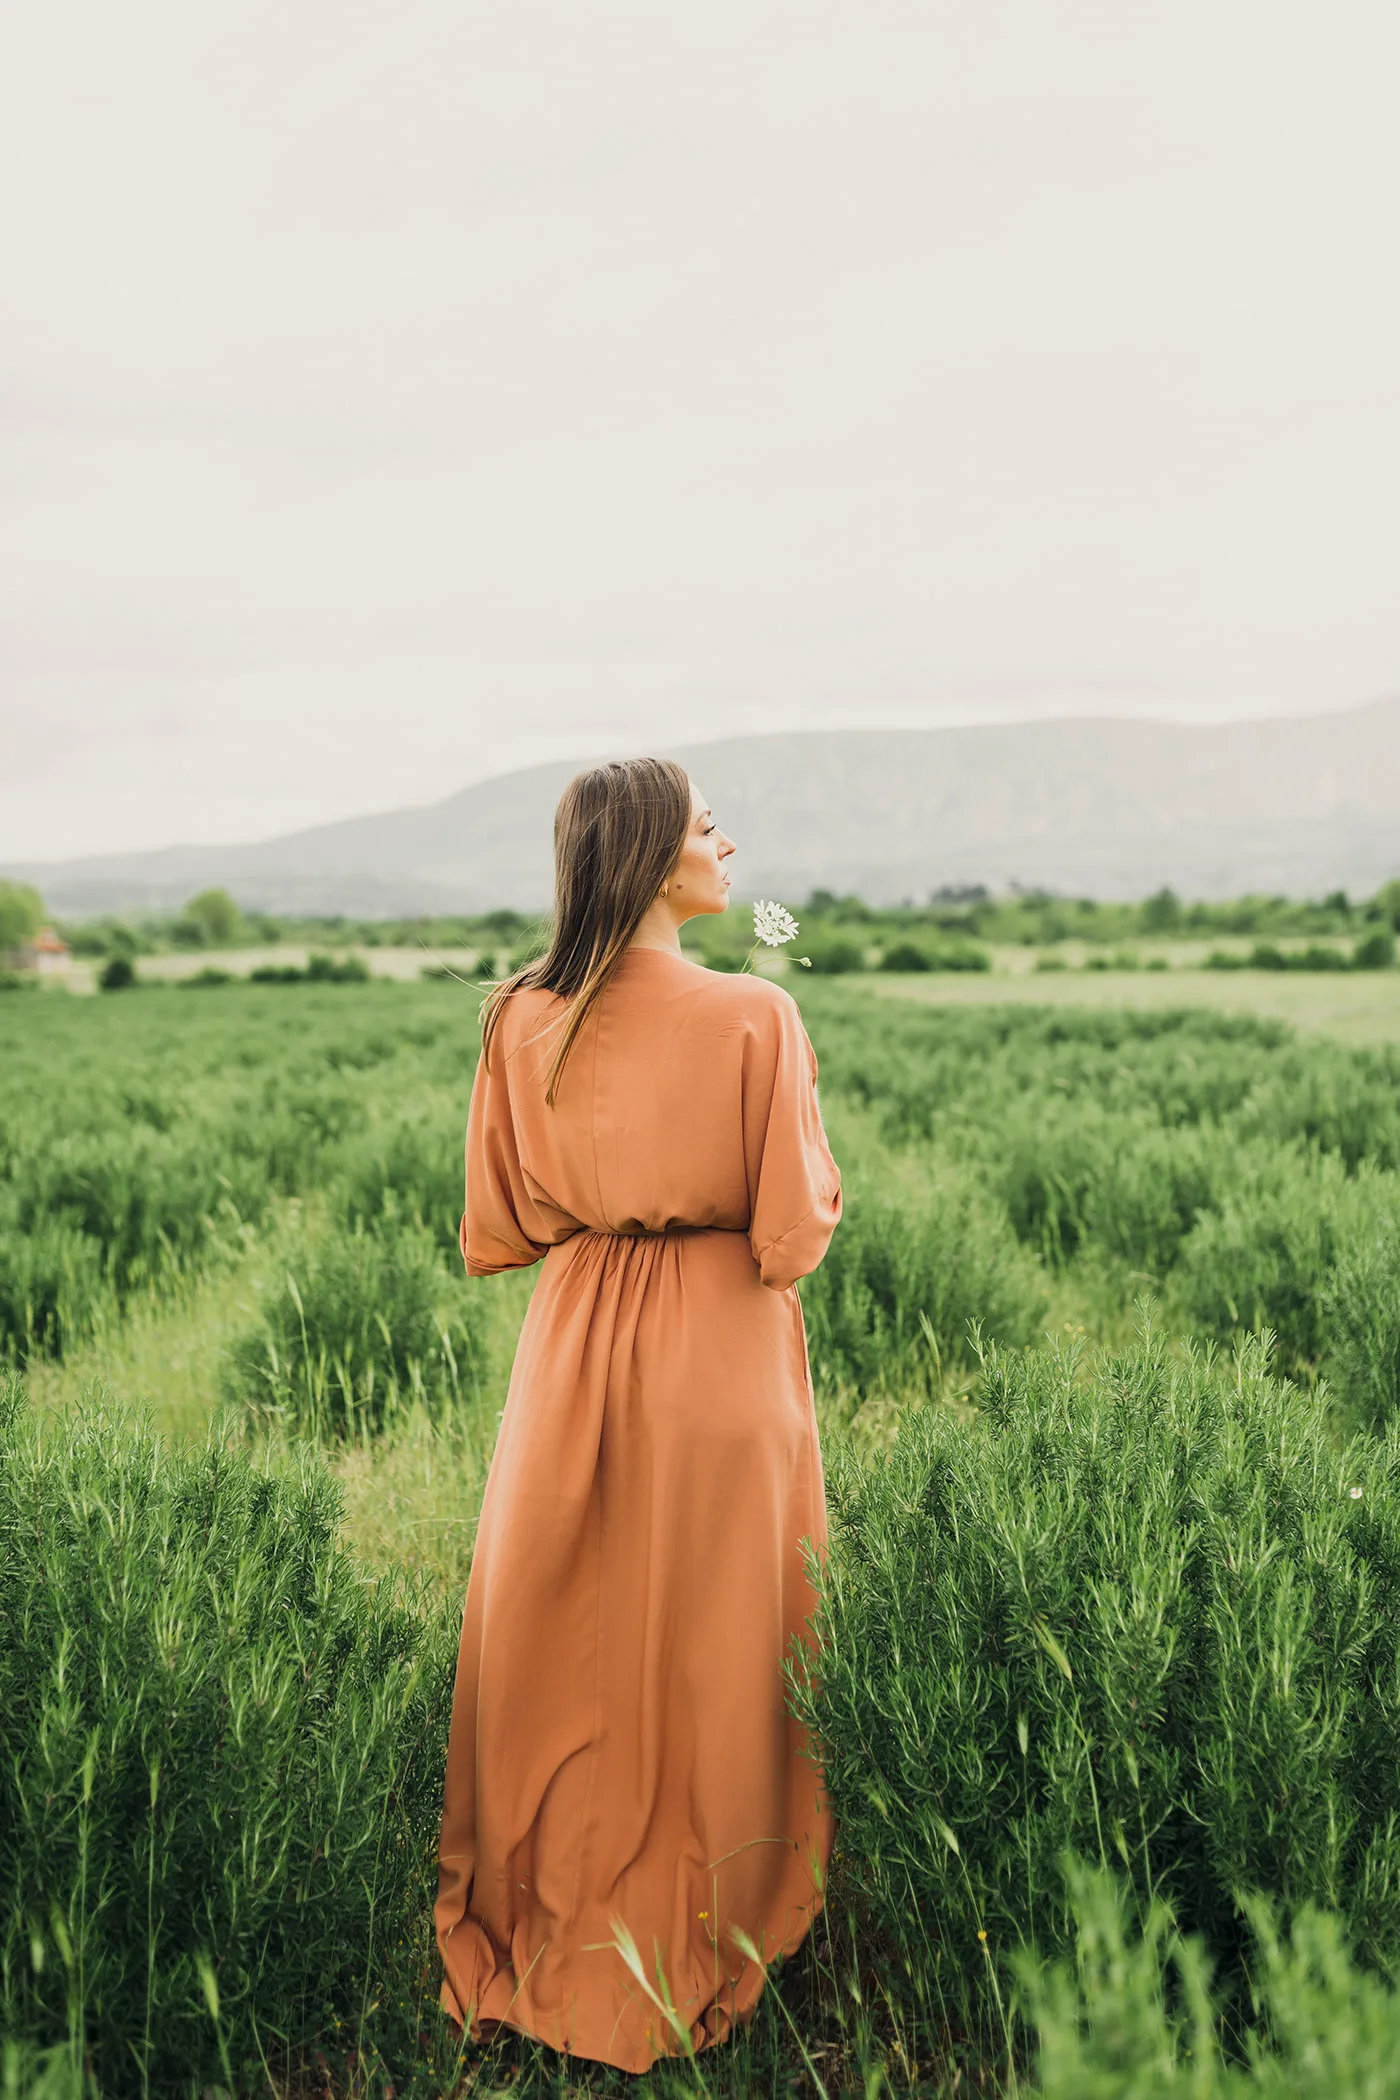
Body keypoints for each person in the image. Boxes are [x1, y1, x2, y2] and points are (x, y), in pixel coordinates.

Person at [434, 755, 842, 2074]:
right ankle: (717, 1908)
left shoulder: (517, 1016)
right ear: (664, 854)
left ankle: (550, 1910)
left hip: (573, 1341)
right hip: (720, 1342)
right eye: (710, 823)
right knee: (721, 1636)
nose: (729, 841)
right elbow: (792, 1230)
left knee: (557, 1626)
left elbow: (498, 1225)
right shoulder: (756, 1014)